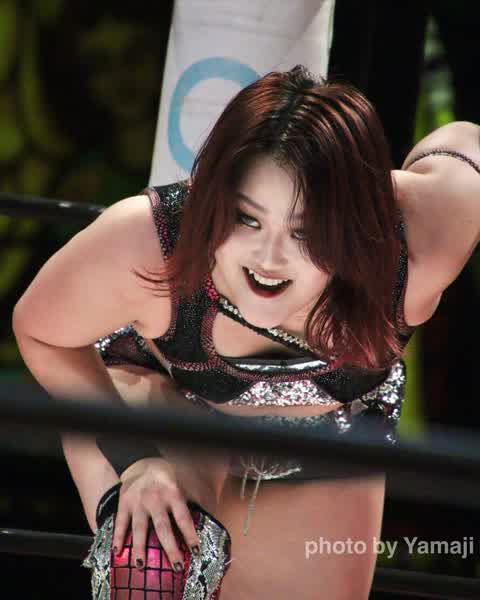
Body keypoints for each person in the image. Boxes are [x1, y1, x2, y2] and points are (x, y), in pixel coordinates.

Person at [12, 65, 480, 599]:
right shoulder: (151, 239)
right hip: (168, 411)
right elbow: (40, 330)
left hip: (332, 438)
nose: (269, 259)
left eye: (307, 232)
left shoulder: (415, 246)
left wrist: (364, 184)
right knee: (153, 566)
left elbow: (466, 142)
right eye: (246, 218)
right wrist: (133, 455)